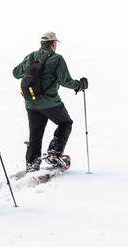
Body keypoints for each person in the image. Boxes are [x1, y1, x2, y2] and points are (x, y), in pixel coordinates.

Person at [12, 32, 88, 172]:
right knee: (66, 123)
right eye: (56, 43)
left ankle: (32, 165)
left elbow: (16, 73)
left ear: (42, 43)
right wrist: (80, 85)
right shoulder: (56, 59)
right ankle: (54, 153)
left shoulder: (31, 57)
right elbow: (65, 81)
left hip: (31, 103)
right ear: (53, 43)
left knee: (35, 134)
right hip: (50, 103)